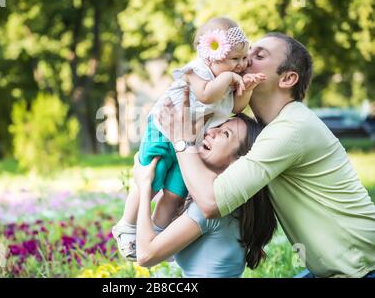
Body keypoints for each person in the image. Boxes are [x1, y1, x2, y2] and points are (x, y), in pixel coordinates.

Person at [158, 33, 375, 278]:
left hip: (363, 269)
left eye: (258, 55)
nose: (243, 60)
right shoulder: (264, 129)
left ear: (287, 79)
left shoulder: (291, 129)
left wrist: (182, 139)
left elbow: (211, 202)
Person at [112, 17, 265, 261]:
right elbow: (205, 96)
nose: (242, 64)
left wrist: (246, 89)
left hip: (189, 140)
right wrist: (227, 80)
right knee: (150, 179)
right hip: (163, 129)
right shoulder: (197, 72)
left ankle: (159, 233)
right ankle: (127, 227)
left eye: (244, 58)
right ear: (210, 56)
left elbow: (236, 107)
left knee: (175, 193)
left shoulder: (227, 76)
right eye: (235, 59)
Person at [133, 113, 277, 277]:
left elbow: (145, 256)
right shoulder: (223, 200)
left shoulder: (210, 209)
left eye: (225, 134)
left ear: (237, 163)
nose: (211, 131)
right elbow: (159, 238)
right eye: (218, 125)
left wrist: (144, 185)